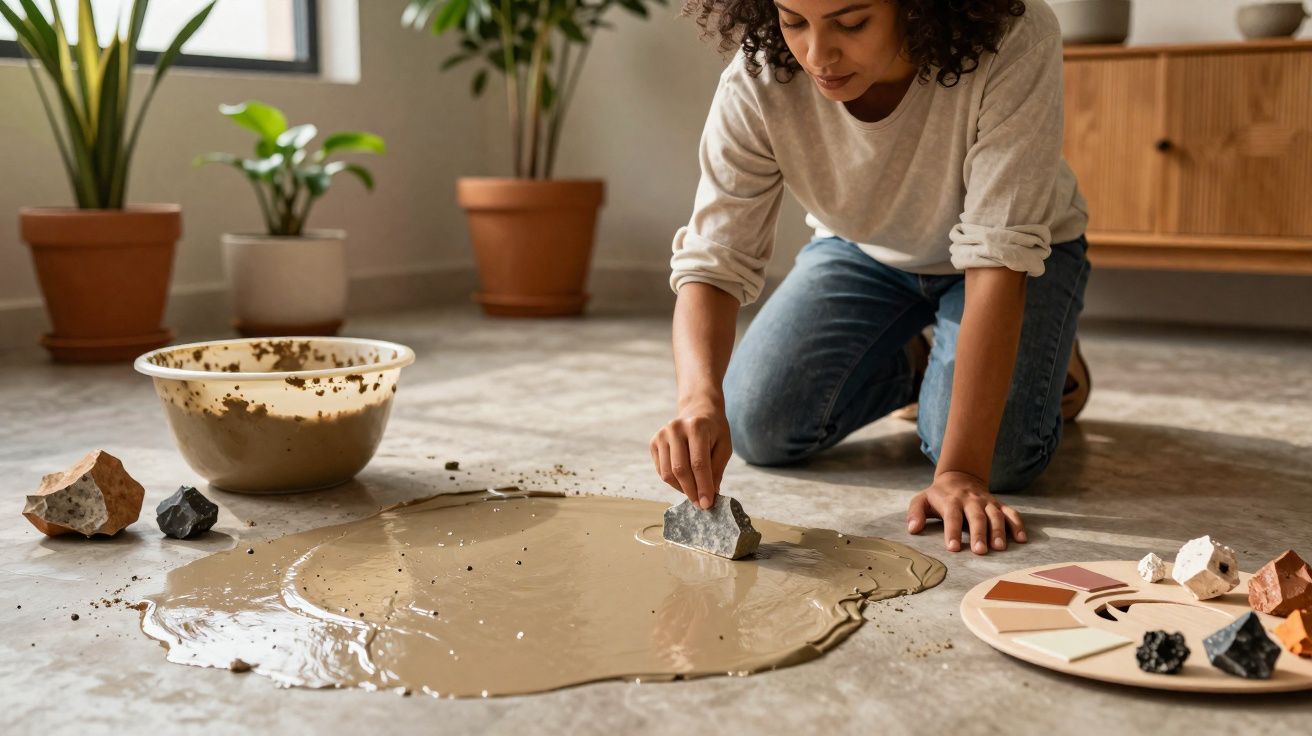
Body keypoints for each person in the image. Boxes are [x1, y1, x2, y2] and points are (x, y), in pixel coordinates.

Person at [649, 0, 1091, 555]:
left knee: (1000, 458)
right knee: (759, 424)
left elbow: (998, 257)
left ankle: (1052, 361)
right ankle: (913, 359)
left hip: (1012, 260)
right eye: (793, 21)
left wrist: (960, 474)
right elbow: (714, 258)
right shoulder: (758, 78)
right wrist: (697, 400)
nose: (817, 54)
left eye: (851, 23)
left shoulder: (1013, 37)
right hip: (860, 251)